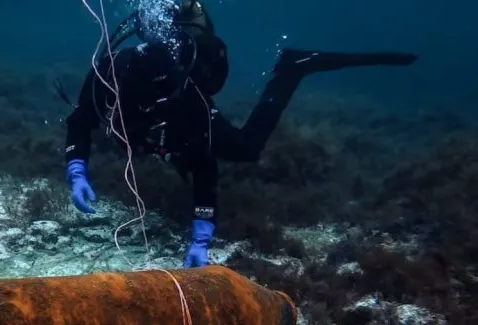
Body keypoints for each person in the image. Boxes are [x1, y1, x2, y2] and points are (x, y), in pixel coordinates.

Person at [62, 0, 417, 268]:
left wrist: (202, 231)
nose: (152, 101)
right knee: (167, 146)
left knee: (245, 148)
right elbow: (80, 120)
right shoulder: (107, 77)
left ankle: (291, 69)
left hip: (182, 121)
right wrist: (76, 169)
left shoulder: (184, 97)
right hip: (154, 131)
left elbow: (204, 162)